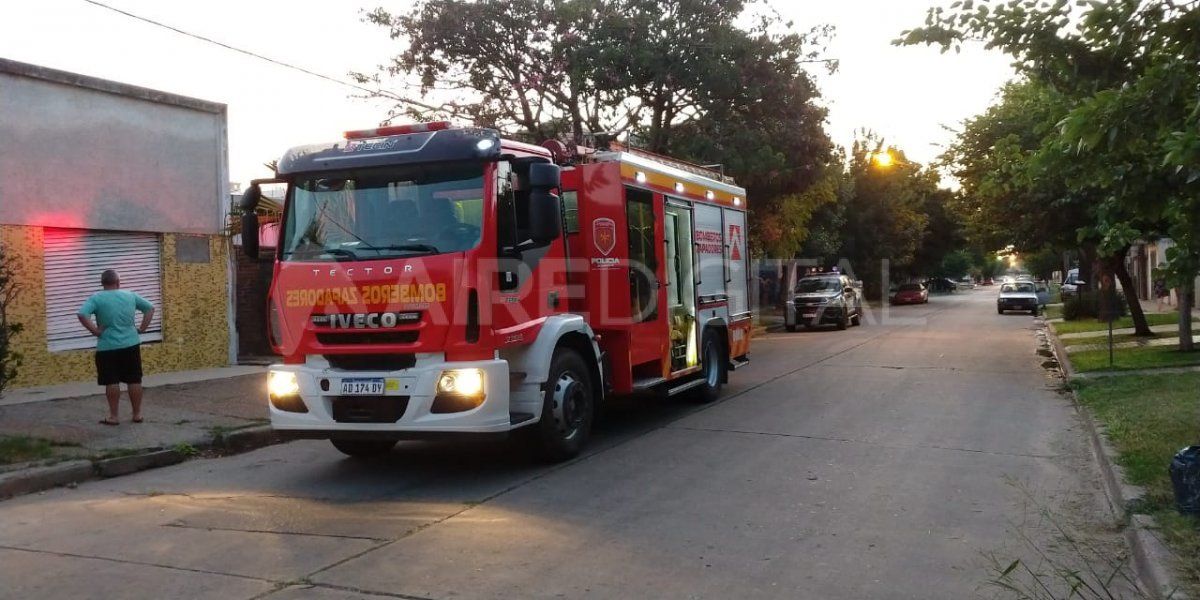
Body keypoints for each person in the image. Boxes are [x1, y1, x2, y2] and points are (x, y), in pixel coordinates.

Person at [77, 269, 155, 425]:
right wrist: (142, 328)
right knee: (134, 379)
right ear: (118, 282)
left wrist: (96, 331)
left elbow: (82, 314)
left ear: (102, 283)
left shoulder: (96, 298)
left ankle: (114, 416)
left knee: (111, 381)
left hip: (107, 346)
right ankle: (137, 414)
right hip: (131, 344)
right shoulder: (130, 295)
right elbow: (150, 308)